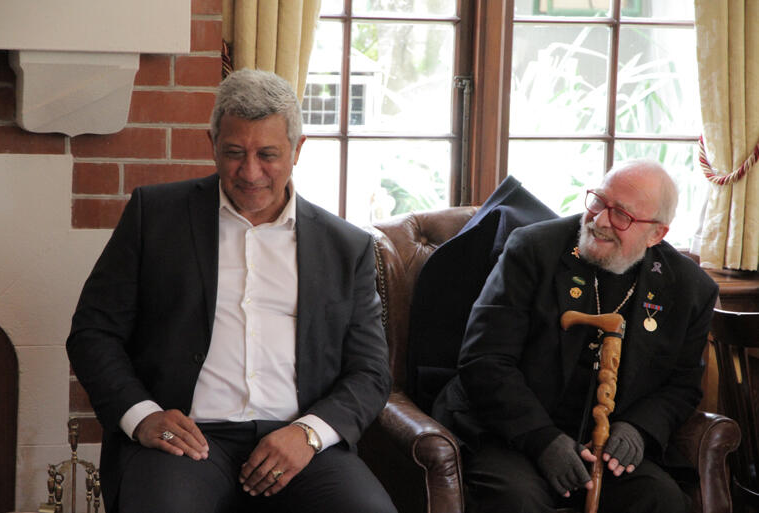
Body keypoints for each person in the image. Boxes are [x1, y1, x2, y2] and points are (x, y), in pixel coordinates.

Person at [66, 68, 396, 513]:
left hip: (299, 442)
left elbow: (371, 371)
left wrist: (310, 433)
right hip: (186, 439)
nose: (250, 172)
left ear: (298, 150)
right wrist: (143, 416)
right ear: (212, 144)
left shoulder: (347, 247)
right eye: (235, 152)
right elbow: (93, 333)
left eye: (268, 154)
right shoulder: (154, 216)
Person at [433, 160, 718, 513]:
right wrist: (542, 440)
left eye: (622, 216)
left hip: (607, 444)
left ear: (656, 234)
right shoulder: (533, 249)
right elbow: (484, 360)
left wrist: (639, 430)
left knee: (661, 500)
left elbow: (682, 384)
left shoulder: (690, 289)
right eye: (599, 201)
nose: (599, 221)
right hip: (510, 432)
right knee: (518, 500)